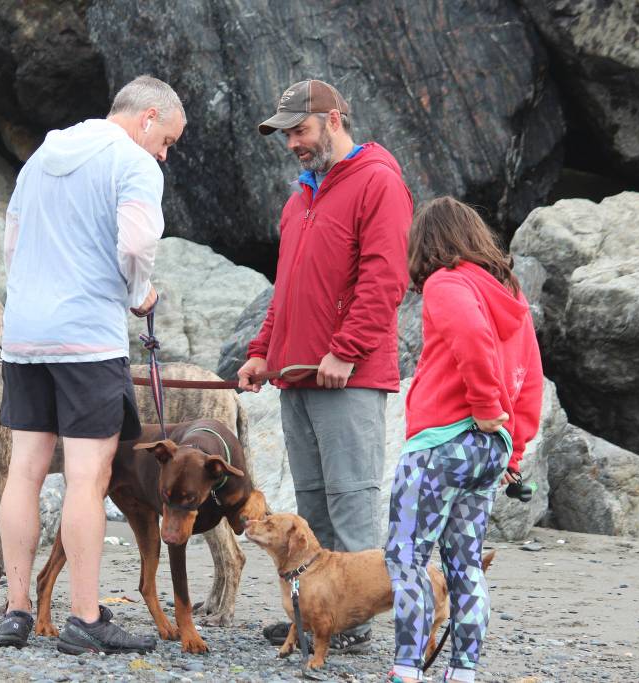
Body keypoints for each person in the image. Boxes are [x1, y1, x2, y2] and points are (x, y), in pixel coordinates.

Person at [0, 75, 186, 655]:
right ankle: (84, 616)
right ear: (148, 116)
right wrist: (140, 293)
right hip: (86, 341)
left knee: (25, 470)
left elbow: (13, 240)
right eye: (168, 140)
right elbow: (134, 245)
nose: (165, 154)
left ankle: (17, 610)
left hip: (25, 336)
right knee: (87, 475)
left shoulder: (43, 155)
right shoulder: (134, 163)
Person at [238, 79, 413, 652]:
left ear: (333, 118)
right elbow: (285, 289)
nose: (292, 142)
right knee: (311, 504)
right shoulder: (299, 199)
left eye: (300, 130)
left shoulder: (378, 182)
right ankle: (318, 621)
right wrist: (262, 351)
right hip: (296, 377)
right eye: (286, 133)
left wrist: (346, 349)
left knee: (351, 499)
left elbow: (386, 279)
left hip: (349, 375)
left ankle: (355, 624)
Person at [384, 197, 543, 683]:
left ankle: (407, 671)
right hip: (488, 452)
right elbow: (532, 379)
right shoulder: (509, 295)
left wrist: (483, 404)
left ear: (427, 244)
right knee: (465, 561)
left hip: (440, 442)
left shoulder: (446, 282)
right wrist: (512, 448)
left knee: (407, 556)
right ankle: (463, 672)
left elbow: (471, 338)